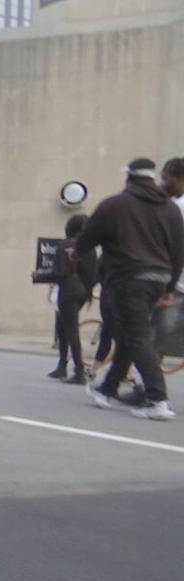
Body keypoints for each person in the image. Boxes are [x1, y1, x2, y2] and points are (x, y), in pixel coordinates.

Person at [78, 158, 184, 419]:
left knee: (136, 335)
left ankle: (156, 399)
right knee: (130, 331)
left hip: (128, 277)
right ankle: (107, 389)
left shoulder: (115, 205)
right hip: (158, 278)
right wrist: (169, 286)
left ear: (129, 177)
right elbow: (178, 252)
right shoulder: (170, 210)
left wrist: (76, 254)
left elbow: (88, 237)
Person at [33, 215, 97, 383]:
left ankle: (78, 370)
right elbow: (93, 274)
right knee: (63, 326)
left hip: (68, 290)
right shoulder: (90, 248)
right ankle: (62, 366)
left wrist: (39, 276)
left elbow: (60, 273)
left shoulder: (65, 245)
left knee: (70, 330)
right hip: (83, 291)